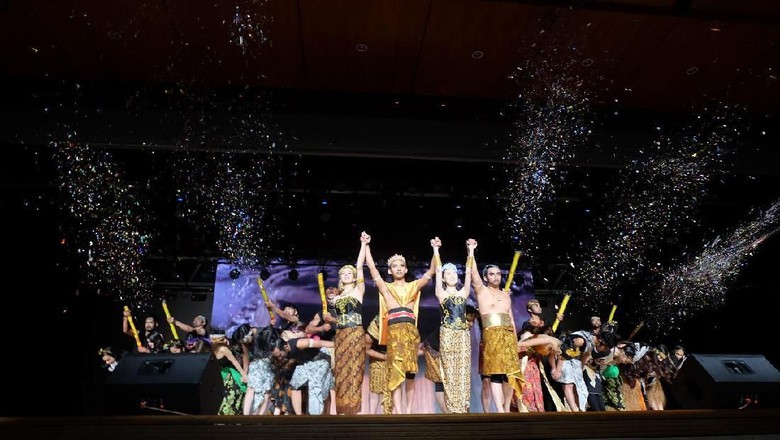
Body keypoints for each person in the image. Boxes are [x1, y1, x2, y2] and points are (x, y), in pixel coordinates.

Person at [365, 235, 437, 414]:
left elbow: (431, 271)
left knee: (410, 371)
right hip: (395, 332)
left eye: (401, 265)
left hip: (411, 332)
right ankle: (398, 410)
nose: (398, 268)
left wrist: (436, 249)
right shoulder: (387, 288)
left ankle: (408, 410)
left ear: (406, 269)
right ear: (390, 271)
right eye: (394, 266)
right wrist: (366, 246)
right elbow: (372, 269)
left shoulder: (413, 286)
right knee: (396, 371)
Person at [467, 238, 523, 413]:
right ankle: (499, 409)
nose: (496, 277)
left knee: (510, 373)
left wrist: (515, 341)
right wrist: (471, 251)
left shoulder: (506, 295)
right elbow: (473, 273)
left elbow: (511, 319)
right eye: (492, 274)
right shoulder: (482, 291)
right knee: (496, 373)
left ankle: (506, 407)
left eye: (498, 274)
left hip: (508, 335)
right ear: (486, 277)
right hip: (492, 334)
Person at [432, 239, 475, 413]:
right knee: (449, 369)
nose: (451, 276)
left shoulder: (463, 293)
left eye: (454, 273)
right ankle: (451, 407)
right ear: (443, 278)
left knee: (463, 368)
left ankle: (463, 406)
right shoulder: (441, 293)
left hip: (463, 334)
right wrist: (436, 250)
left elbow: (469, 273)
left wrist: (470, 251)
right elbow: (437, 269)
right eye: (448, 274)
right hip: (448, 333)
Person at [329, 232, 369, 415]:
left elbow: (359, 266)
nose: (346, 275)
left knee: (355, 368)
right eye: (343, 273)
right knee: (341, 370)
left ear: (354, 277)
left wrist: (363, 244)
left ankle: (356, 409)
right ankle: (342, 409)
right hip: (341, 334)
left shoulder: (358, 291)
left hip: (355, 333)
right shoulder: (336, 298)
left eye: (349, 273)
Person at [364, 314, 392, 414]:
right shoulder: (371, 332)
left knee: (392, 389)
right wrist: (383, 357)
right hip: (377, 359)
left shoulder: (397, 328)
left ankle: (390, 416)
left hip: (392, 359)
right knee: (375, 389)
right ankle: (372, 416)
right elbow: (367, 350)